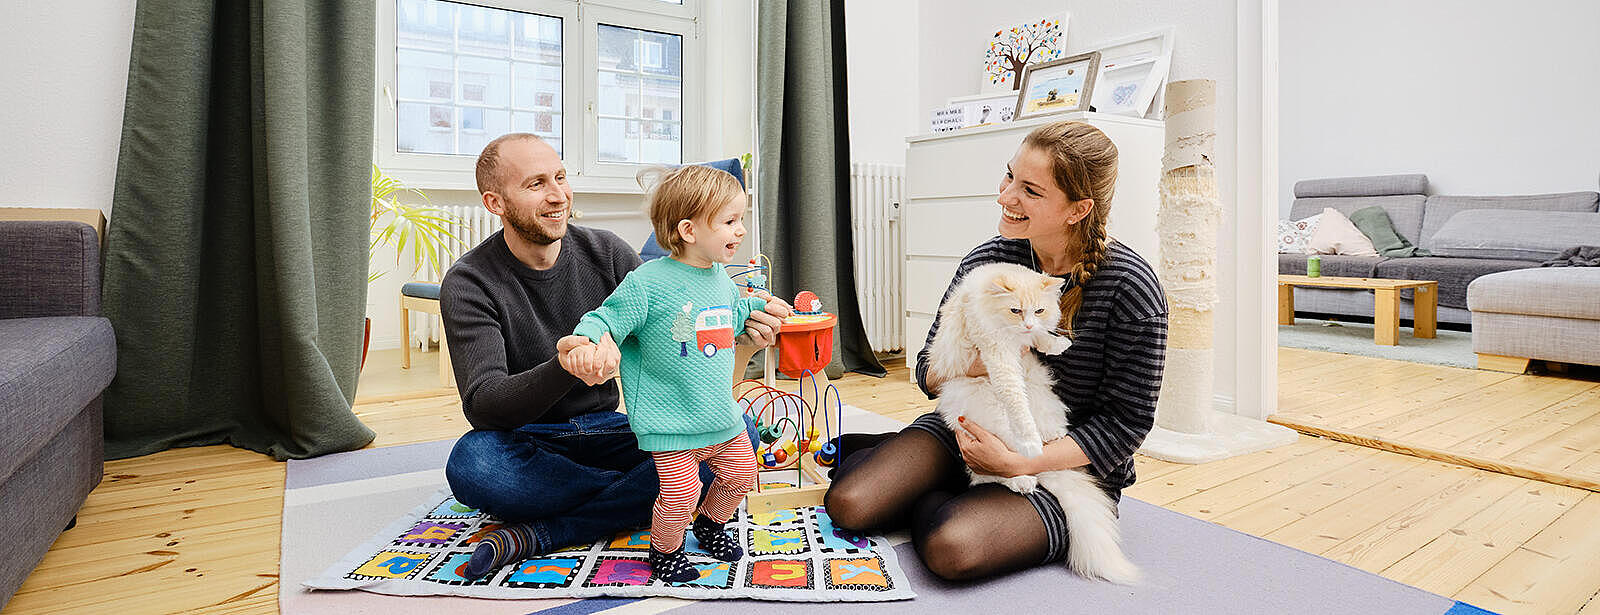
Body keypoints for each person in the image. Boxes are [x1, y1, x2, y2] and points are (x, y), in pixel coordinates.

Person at [823, 121, 1168, 581]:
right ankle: (937, 473)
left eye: (1030, 190)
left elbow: (1127, 424)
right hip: (969, 424)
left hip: (1058, 458)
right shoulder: (989, 262)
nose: (1005, 197)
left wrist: (1021, 461)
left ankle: (933, 485)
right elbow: (926, 370)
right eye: (1009, 177)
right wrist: (982, 364)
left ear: (1077, 209)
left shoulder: (1131, 290)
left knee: (952, 548)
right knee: (849, 503)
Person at [438, 133, 783, 580]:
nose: (558, 195)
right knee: (475, 465)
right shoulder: (468, 281)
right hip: (529, 440)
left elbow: (679, 342)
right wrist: (565, 366)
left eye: (560, 177)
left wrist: (743, 337)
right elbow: (485, 406)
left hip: (611, 429)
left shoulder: (608, 252)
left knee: (741, 438)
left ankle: (537, 533)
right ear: (495, 202)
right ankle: (647, 500)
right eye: (536, 184)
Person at [566, 165, 793, 582]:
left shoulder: (719, 276)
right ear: (689, 230)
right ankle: (665, 550)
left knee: (743, 472)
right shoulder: (646, 283)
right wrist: (587, 341)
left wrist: (758, 308)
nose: (740, 231)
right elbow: (604, 319)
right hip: (671, 418)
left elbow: (731, 313)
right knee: (678, 495)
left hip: (719, 413)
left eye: (740, 219)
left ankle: (710, 523)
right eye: (730, 221)